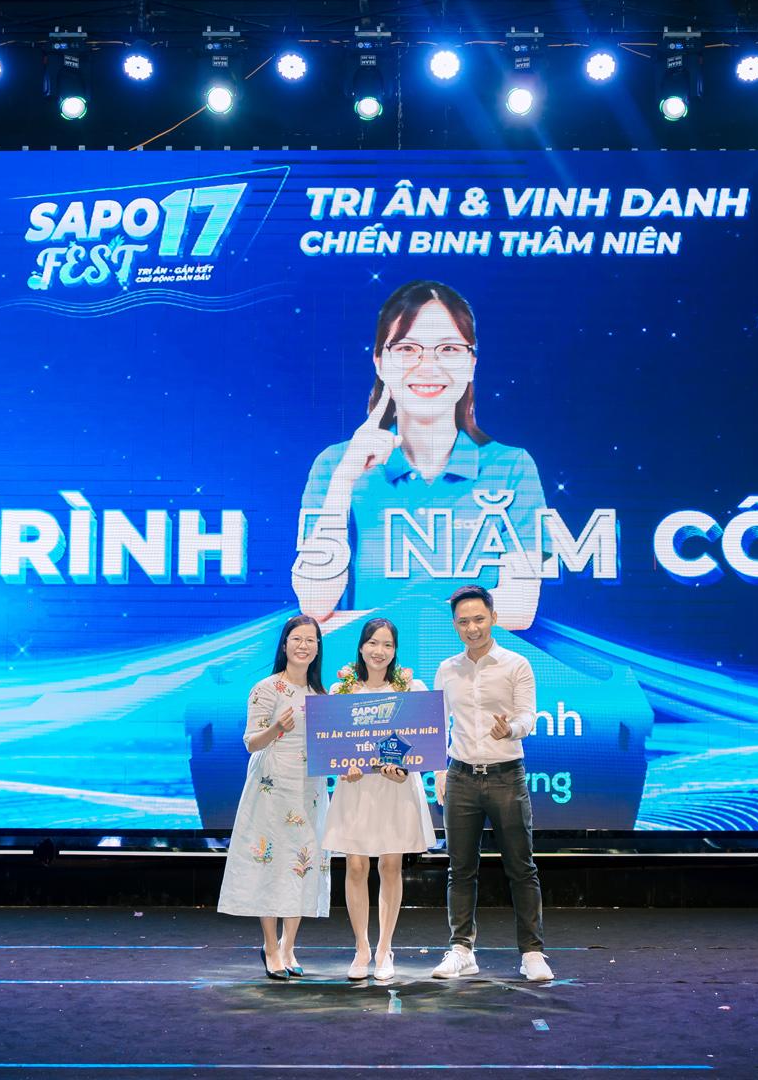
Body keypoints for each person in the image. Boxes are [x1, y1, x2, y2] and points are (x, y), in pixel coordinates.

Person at [293, 280, 546, 630]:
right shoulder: (334, 465)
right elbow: (315, 606)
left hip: (474, 665)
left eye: (448, 349)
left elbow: (519, 606)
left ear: (471, 362)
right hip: (369, 666)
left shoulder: (512, 468)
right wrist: (344, 481)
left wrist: (383, 622)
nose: (428, 365)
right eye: (408, 348)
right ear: (379, 362)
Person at [430, 584, 552, 982]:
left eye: (479, 619)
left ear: (494, 618)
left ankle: (532, 953)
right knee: (460, 869)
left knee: (521, 868)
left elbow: (528, 716)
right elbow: (435, 726)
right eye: (464, 621)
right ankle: (461, 950)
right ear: (454, 625)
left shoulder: (517, 664)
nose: (472, 628)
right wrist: (440, 772)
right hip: (461, 777)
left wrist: (510, 729)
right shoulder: (447, 669)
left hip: (506, 776)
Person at [321, 618, 438, 981]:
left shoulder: (411, 688)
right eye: (373, 643)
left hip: (395, 788)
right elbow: (334, 744)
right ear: (361, 647)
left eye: (387, 645)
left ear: (395, 651)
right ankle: (362, 947)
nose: (379, 651)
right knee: (356, 867)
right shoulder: (341, 690)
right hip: (357, 789)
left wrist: (403, 767)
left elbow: (422, 737)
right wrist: (344, 767)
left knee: (390, 867)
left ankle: (385, 949)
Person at [216, 614, 331, 980]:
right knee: (270, 862)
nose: (303, 646)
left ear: (318, 648)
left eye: (310, 640)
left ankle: (289, 946)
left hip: (309, 790)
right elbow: (251, 742)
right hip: (272, 785)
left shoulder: (322, 696)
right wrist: (277, 728)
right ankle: (269, 946)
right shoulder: (266, 688)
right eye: (296, 639)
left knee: (301, 863)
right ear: (285, 645)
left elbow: (330, 747)